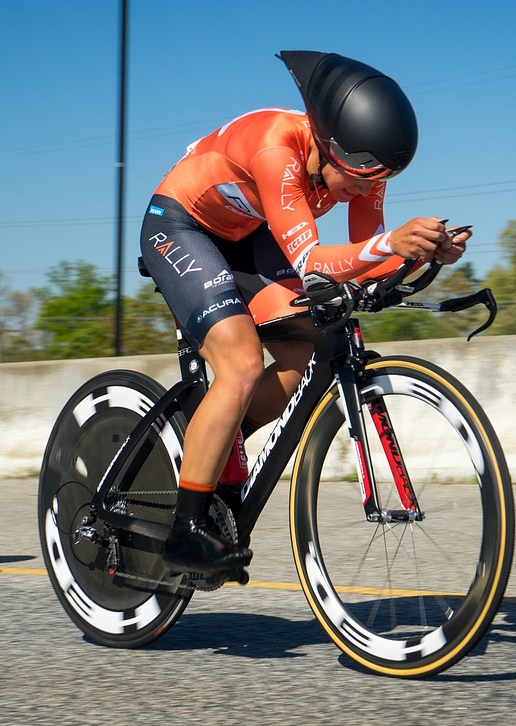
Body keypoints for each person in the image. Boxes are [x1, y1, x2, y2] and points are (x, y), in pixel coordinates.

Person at [138, 51, 472, 576]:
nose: (366, 187)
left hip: (249, 235)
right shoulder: (278, 152)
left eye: (377, 177)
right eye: (359, 176)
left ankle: (219, 443)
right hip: (182, 227)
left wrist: (418, 252)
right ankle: (185, 530)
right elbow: (315, 262)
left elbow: (364, 261)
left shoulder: (362, 166)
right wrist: (394, 241)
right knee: (243, 363)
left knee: (303, 354)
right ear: (326, 143)